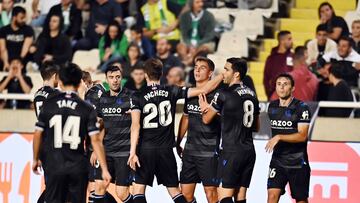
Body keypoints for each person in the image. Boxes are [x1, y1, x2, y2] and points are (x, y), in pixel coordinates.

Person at [127, 58, 224, 203]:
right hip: (166, 150)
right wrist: (222, 75)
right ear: (161, 74)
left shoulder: (137, 96)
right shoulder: (171, 90)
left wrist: (132, 152)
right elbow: (203, 91)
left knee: (138, 190)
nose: (197, 70)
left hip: (146, 149)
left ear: (146, 75)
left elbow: (135, 126)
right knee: (175, 191)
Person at [32, 63, 111, 203]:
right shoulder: (86, 107)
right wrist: (104, 168)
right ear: (79, 82)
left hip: (54, 163)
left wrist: (35, 158)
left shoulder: (49, 104)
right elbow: (96, 140)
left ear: (60, 82)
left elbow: (37, 134)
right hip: (77, 165)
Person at [199, 58, 260, 203]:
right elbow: (256, 127)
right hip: (249, 151)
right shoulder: (252, 94)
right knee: (240, 195)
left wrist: (204, 108)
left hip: (231, 151)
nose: (223, 73)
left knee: (224, 196)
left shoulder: (223, 94)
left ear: (236, 74)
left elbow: (206, 119)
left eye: (226, 70)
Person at [176, 57, 220, 203]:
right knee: (186, 196)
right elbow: (186, 118)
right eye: (196, 67)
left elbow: (223, 122)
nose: (197, 70)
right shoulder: (191, 93)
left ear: (210, 73)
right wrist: (178, 142)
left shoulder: (217, 95)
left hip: (209, 152)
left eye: (202, 67)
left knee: (211, 194)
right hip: (190, 152)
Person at [265, 73, 311, 203]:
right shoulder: (272, 106)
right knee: (272, 196)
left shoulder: (302, 108)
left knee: (300, 199)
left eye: (285, 84)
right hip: (278, 161)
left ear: (292, 88)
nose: (281, 87)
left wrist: (279, 137)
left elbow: (302, 136)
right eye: (279, 84)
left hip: (298, 162)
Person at [91, 65, 134, 203]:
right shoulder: (102, 99)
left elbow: (138, 124)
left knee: (121, 193)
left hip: (124, 153)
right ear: (106, 80)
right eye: (111, 77)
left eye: (117, 77)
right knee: (99, 187)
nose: (115, 80)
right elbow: (101, 125)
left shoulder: (131, 97)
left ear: (121, 78)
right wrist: (95, 150)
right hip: (106, 152)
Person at [177, 0, 216, 65]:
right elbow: (184, 34)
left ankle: (191, 59)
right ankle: (186, 60)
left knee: (203, 48)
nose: (201, 4)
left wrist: (197, 44)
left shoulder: (209, 16)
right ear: (192, 4)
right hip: (188, 41)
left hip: (204, 42)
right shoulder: (184, 16)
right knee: (180, 47)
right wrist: (190, 44)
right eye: (197, 2)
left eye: (202, 2)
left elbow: (210, 35)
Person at [0, 6, 34, 71]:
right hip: (6, 59)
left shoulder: (28, 29)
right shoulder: (3, 30)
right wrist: (6, 63)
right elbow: (3, 49)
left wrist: (17, 63)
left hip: (22, 60)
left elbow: (25, 48)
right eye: (21, 18)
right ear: (14, 17)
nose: (24, 20)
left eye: (24, 17)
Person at [263, 30, 293, 100]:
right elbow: (266, 78)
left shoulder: (293, 57)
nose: (292, 41)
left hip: (290, 96)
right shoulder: (271, 58)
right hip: (274, 96)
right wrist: (270, 94)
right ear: (282, 41)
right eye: (289, 39)